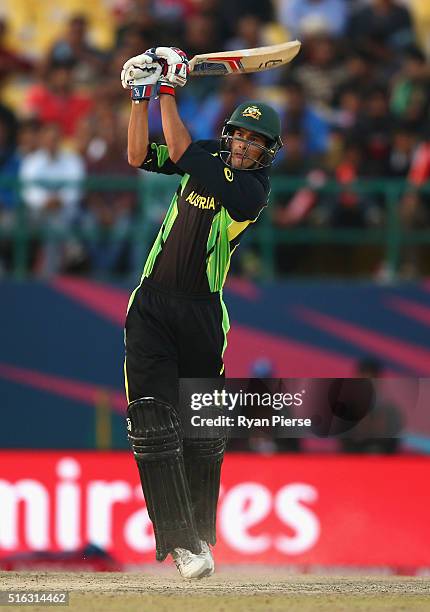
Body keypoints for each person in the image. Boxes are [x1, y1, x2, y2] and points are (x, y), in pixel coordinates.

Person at [121, 46, 282, 578]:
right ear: (230, 133)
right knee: (150, 421)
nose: (241, 146)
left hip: (202, 316)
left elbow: (184, 148)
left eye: (254, 142)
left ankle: (202, 536)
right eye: (239, 134)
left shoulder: (251, 193)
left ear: (266, 154)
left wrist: (168, 88)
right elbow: (138, 155)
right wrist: (140, 96)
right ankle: (182, 544)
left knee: (201, 429)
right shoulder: (208, 153)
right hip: (151, 306)